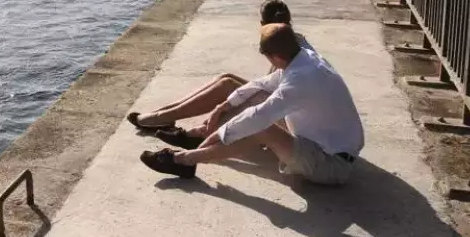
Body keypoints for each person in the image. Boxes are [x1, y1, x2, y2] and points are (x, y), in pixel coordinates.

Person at [139, 22, 363, 185]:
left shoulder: (300, 80)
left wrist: (219, 134)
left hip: (332, 163)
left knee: (261, 128)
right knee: (255, 96)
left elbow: (259, 117)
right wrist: (223, 106)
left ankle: (184, 160)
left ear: (275, 57)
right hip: (320, 142)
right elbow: (262, 84)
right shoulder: (304, 58)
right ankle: (196, 144)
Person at [126, 0, 299, 146]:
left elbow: (278, 99)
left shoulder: (284, 49)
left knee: (228, 85)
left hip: (287, 118)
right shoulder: (292, 40)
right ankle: (166, 113)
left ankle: (196, 130)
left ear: (262, 25)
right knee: (227, 78)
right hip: (284, 106)